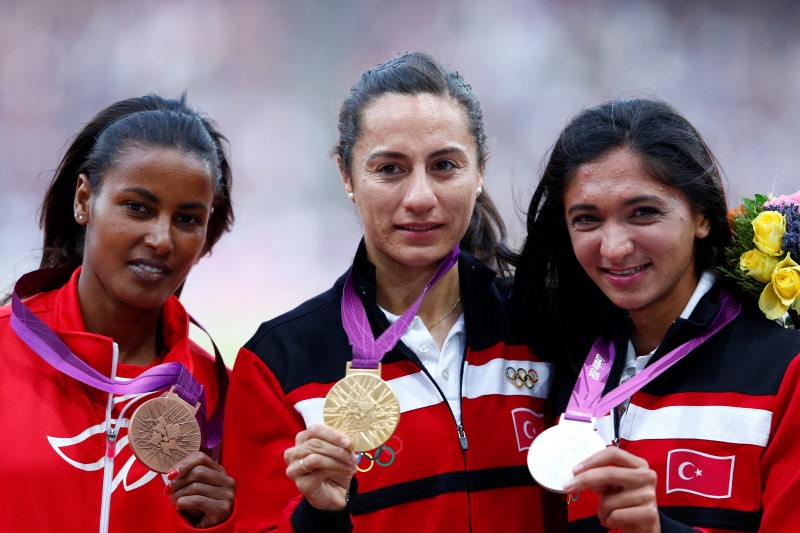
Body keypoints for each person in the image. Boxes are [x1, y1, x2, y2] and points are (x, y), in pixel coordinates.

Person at [223, 52, 561, 532]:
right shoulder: (279, 363)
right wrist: (319, 516)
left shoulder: (544, 323)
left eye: (444, 165)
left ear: (479, 170)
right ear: (346, 175)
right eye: (389, 169)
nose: (420, 197)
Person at [512, 97, 800, 532]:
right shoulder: (561, 355)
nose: (614, 248)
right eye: (587, 219)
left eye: (643, 213)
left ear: (702, 215)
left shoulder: (786, 372)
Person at [0, 94, 237, 531]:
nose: (162, 240)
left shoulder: (220, 395)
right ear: (84, 199)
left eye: (187, 219)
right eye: (138, 208)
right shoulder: (3, 350)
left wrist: (224, 525)